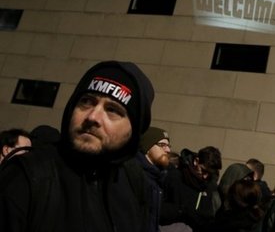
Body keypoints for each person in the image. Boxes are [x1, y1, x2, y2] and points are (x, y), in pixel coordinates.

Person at [0, 60, 155, 231]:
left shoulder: (134, 182)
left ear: (134, 130)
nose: (93, 117)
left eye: (112, 110)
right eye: (87, 101)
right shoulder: (27, 176)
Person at [160, 145, 223, 231]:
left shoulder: (210, 185)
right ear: (196, 161)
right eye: (203, 170)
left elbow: (208, 217)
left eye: (209, 173)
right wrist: (182, 211)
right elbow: (159, 208)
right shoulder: (175, 176)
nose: (205, 176)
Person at [137, 126, 172, 232]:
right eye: (162, 145)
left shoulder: (157, 177)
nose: (168, 150)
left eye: (168, 145)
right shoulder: (136, 175)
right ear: (147, 148)